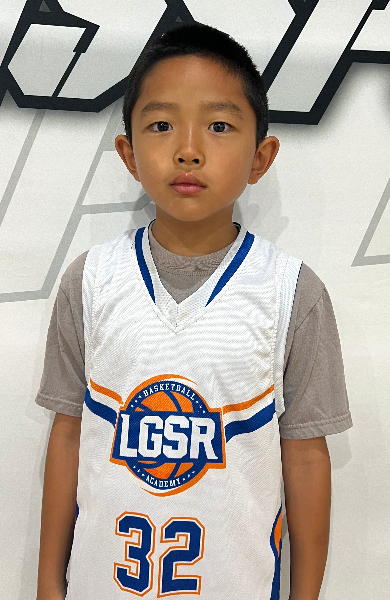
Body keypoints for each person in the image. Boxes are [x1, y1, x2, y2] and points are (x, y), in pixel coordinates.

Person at [35, 22, 352, 600]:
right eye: (161, 125)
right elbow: (68, 433)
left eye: (219, 125)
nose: (188, 149)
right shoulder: (90, 280)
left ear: (260, 158)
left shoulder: (292, 293)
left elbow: (306, 458)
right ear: (129, 154)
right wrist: (47, 583)